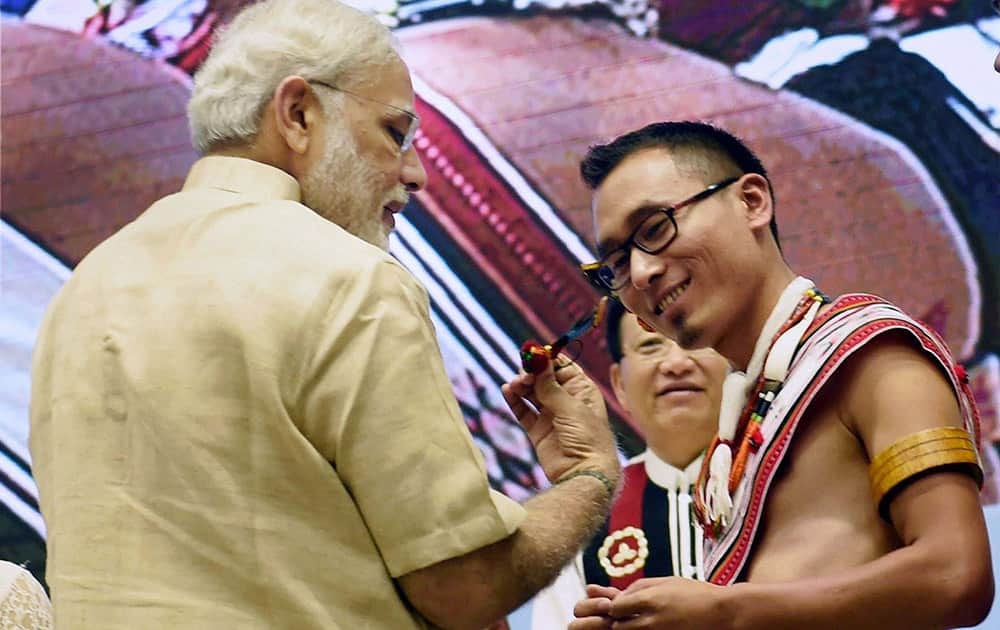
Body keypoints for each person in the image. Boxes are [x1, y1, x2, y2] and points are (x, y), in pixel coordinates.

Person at [28, 2, 620, 628]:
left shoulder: (83, 289)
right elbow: (465, 587)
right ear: (299, 113)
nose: (415, 173)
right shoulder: (348, 278)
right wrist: (590, 478)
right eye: (395, 133)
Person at [564, 121, 991, 628]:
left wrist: (725, 612)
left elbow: (957, 575)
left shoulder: (868, 352)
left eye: (655, 229)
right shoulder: (744, 420)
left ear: (751, 202)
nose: (640, 273)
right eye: (615, 263)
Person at [527, 299, 728, 628]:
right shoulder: (587, 514)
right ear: (619, 384)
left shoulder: (780, 478)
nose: (676, 363)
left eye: (691, 342)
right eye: (651, 345)